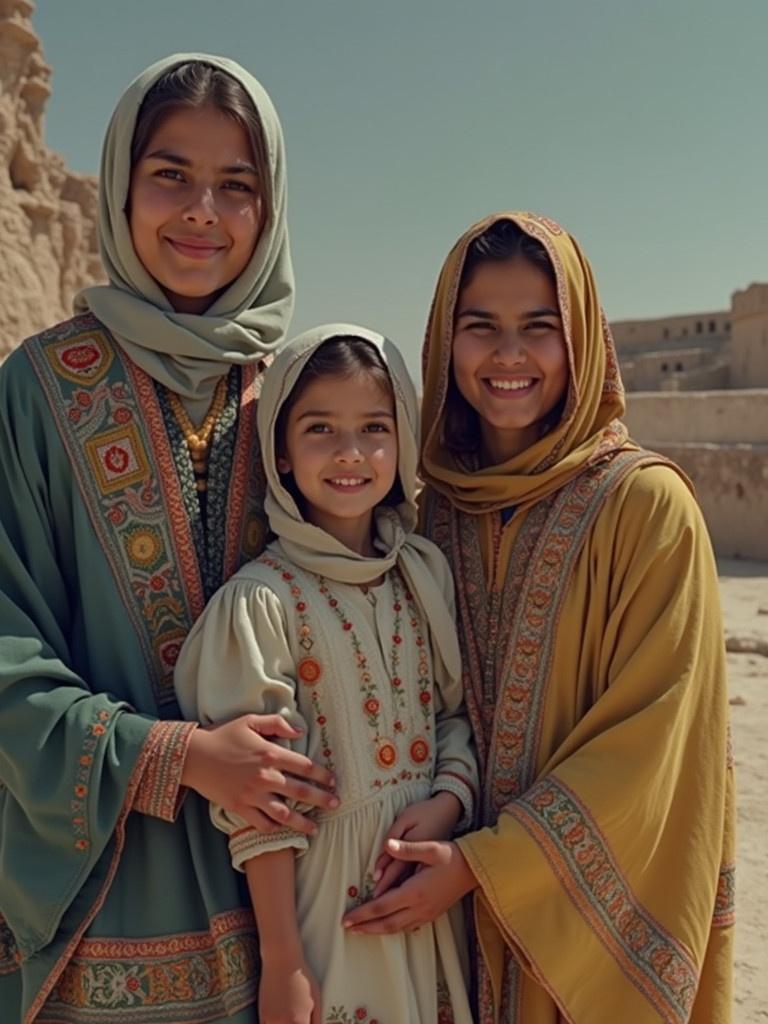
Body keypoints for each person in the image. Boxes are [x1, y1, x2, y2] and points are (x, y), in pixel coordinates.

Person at [0, 55, 338, 1024]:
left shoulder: (299, 399)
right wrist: (178, 754)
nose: (203, 211)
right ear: (120, 184)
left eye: (239, 186)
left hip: (289, 898)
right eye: (170, 174)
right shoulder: (36, 391)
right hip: (101, 901)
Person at [343, 213, 735, 1024]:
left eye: (540, 328)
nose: (509, 355)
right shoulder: (431, 514)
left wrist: (487, 866)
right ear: (444, 343)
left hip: (579, 943)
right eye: (480, 326)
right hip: (440, 934)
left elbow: (655, 747)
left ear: (582, 339)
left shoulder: (644, 505)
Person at [175, 325, 479, 1024]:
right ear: (281, 452)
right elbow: (262, 811)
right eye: (320, 429)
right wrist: (285, 962)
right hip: (324, 912)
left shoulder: (421, 574)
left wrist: (448, 806)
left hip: (427, 895)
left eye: (375, 427)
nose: (350, 453)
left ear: (402, 440)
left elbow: (453, 719)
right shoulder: (260, 602)